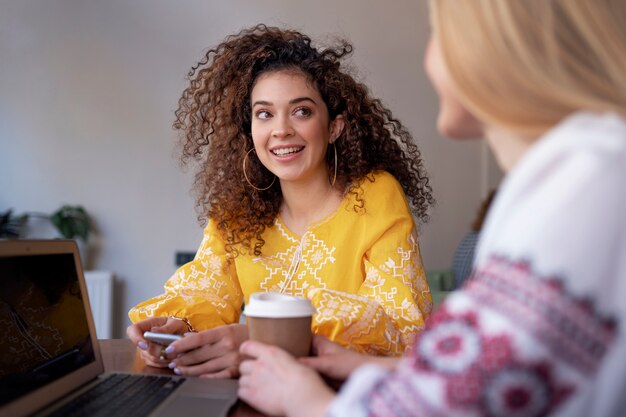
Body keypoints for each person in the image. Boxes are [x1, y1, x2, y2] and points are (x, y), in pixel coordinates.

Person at [237, 1, 626, 416]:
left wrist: (307, 402)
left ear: (493, 48)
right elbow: (479, 375)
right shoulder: (580, 172)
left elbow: (455, 405)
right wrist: (367, 366)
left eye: (436, 36)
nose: (429, 61)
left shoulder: (588, 181)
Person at [126, 25, 435, 378]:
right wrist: (174, 328)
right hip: (260, 392)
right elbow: (206, 291)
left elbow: (398, 325)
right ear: (251, 130)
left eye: (301, 111)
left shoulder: (375, 195)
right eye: (265, 113)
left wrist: (262, 340)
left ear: (334, 127)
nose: (281, 130)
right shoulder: (236, 209)